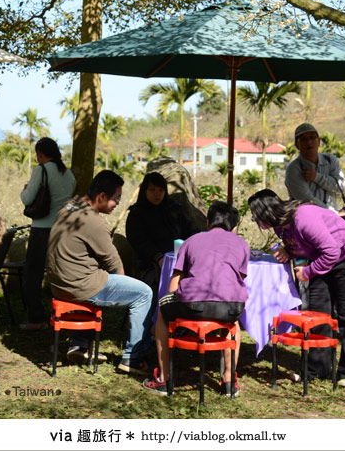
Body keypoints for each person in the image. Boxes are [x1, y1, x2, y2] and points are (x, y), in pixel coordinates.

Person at [248, 189, 345, 389]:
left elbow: (331, 251)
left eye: (255, 217)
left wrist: (309, 271)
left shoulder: (304, 217)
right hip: (322, 261)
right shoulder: (281, 227)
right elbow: (301, 246)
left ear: (266, 213)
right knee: (317, 314)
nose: (255, 221)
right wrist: (287, 251)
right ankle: (318, 369)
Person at [46, 170, 153, 374]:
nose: (118, 203)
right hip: (81, 286)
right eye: (116, 198)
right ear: (101, 197)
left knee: (92, 271)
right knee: (143, 293)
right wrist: (122, 290)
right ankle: (134, 357)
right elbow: (114, 264)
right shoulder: (94, 222)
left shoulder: (71, 205)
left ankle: (79, 345)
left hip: (59, 284)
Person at [143, 201, 249, 397]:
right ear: (234, 227)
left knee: (162, 311)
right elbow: (238, 279)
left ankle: (164, 379)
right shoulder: (242, 244)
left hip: (193, 305)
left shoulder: (191, 241)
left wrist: (171, 304)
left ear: (208, 222)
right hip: (232, 306)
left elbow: (176, 279)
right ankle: (228, 380)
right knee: (233, 323)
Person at [19, 137, 76, 331]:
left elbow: (27, 199)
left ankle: (37, 319)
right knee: (62, 273)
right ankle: (66, 315)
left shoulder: (41, 170)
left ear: (41, 154)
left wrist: (24, 190)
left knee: (33, 274)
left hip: (42, 229)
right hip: (63, 229)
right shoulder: (68, 173)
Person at [126, 172, 196, 292]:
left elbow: (189, 230)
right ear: (144, 191)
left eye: (161, 190)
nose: (157, 194)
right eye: (152, 190)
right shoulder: (137, 214)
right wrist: (158, 257)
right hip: (150, 265)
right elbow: (139, 241)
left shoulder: (174, 209)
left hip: (180, 260)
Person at [285, 123, 345, 210]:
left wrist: (317, 177)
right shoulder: (293, 169)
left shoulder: (330, 160)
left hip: (331, 219)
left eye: (312, 137)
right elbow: (307, 201)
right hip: (306, 221)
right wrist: (334, 215)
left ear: (318, 141)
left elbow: (341, 186)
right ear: (297, 145)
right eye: (304, 139)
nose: (309, 142)